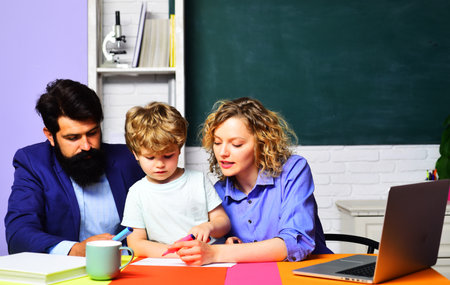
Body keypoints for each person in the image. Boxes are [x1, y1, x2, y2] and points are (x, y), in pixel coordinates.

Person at [170, 97, 332, 265]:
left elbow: (295, 244)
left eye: (237, 144)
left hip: (309, 272)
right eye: (217, 142)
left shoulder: (293, 170)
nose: (222, 152)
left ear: (262, 144)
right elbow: (220, 245)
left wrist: (218, 253)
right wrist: (226, 244)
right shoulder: (218, 192)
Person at [5, 79, 145, 256]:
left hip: (125, 271)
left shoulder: (128, 158)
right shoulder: (32, 163)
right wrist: (75, 250)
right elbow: (18, 234)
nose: (86, 146)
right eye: (73, 138)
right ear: (50, 136)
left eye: (92, 133)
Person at [121, 102, 231, 257]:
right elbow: (136, 244)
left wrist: (210, 227)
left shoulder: (198, 180)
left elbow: (223, 222)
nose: (160, 164)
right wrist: (178, 254)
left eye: (168, 156)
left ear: (179, 148)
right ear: (135, 154)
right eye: (150, 157)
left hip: (207, 259)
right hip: (168, 262)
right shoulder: (137, 193)